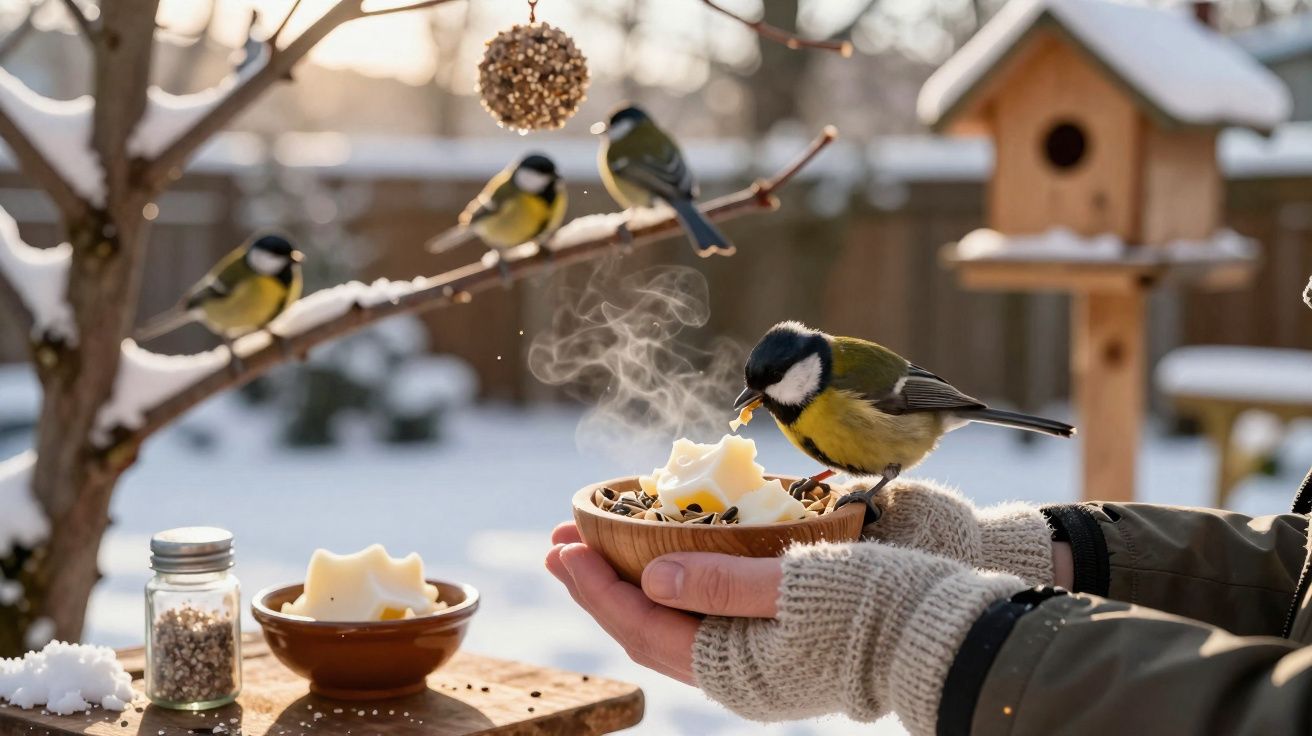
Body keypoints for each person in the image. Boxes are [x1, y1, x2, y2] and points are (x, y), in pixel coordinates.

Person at [545, 294, 1312, 736]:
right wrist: (1010, 552)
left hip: (910, 430)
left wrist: (918, 623)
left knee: (874, 467)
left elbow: (913, 403)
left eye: (771, 386)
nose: (762, 402)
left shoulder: (849, 380)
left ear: (805, 369)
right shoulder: (796, 402)